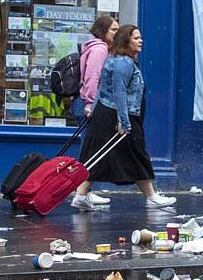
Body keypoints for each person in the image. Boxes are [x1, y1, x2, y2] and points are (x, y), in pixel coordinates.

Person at [72, 25, 176, 210]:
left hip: (108, 114)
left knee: (100, 156)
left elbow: (102, 89)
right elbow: (119, 93)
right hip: (119, 115)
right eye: (136, 38)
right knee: (136, 153)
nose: (140, 41)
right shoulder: (123, 64)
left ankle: (81, 195)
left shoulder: (116, 60)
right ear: (125, 41)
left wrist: (94, 110)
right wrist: (124, 122)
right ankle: (151, 196)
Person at [70, 15, 118, 209]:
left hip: (84, 102)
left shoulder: (92, 46)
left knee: (89, 148)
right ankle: (82, 193)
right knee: (89, 149)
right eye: (113, 30)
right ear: (103, 31)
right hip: (89, 104)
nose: (117, 33)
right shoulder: (100, 49)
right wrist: (90, 103)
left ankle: (84, 192)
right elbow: (93, 78)